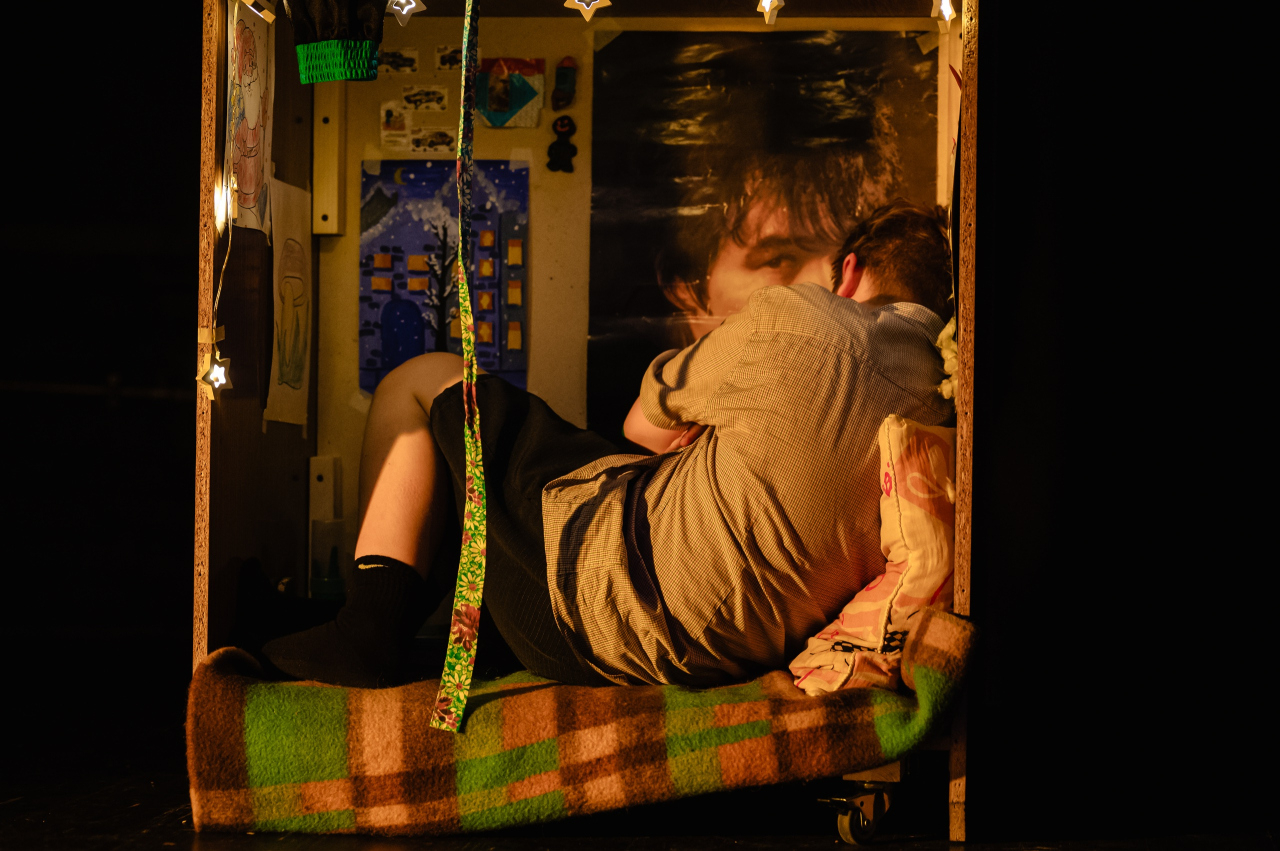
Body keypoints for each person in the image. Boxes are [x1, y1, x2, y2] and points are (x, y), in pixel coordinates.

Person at [263, 200, 955, 689]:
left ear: (849, 271)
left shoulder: (804, 318)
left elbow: (642, 428)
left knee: (425, 380)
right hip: (709, 654)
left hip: (588, 601)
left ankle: (367, 631)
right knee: (528, 464)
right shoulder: (943, 407)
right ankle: (421, 628)